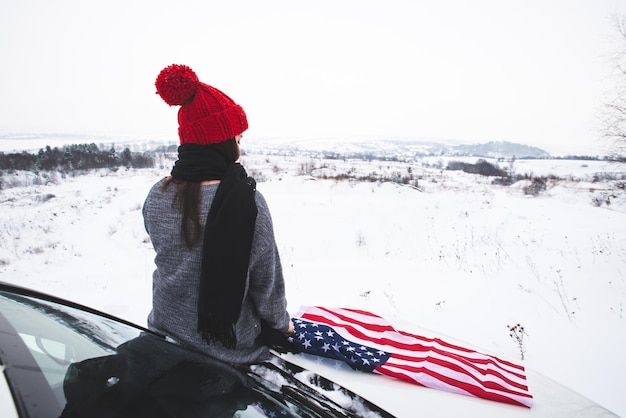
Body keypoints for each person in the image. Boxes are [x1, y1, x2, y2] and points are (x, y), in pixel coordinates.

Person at [143, 64, 294, 365]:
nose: (239, 145)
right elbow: (267, 286)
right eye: (237, 138)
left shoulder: (157, 194)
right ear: (222, 142)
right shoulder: (247, 204)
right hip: (227, 349)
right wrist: (282, 325)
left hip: (163, 331)